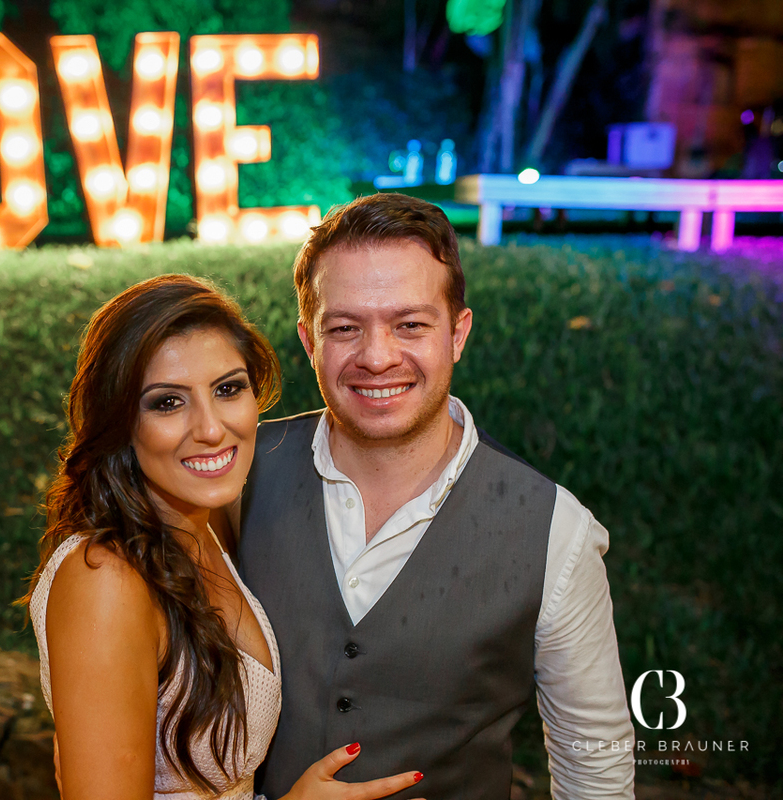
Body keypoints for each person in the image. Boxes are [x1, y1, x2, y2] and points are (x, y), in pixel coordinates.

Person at [237, 194, 636, 800]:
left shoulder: (555, 530)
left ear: (457, 334)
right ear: (308, 340)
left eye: (410, 325)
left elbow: (595, 767)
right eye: (345, 328)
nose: (377, 357)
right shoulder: (230, 481)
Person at [24, 274, 425, 800]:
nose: (212, 428)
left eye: (228, 389)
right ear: (121, 422)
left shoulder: (209, 525)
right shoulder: (106, 580)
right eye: (167, 402)